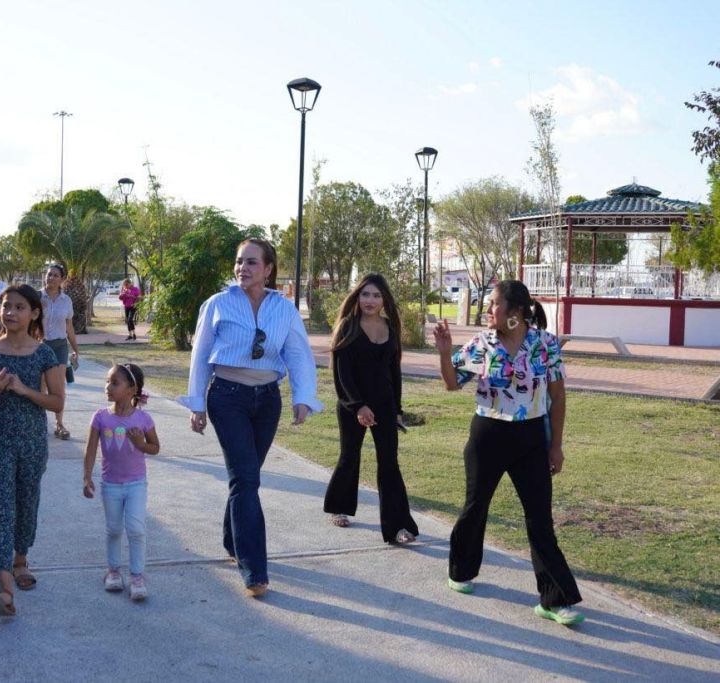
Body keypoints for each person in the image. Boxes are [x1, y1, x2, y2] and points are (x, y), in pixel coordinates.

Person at [434, 279, 584, 626]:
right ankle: (461, 570)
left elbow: (558, 398)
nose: (488, 310)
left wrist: (556, 446)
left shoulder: (544, 344)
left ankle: (554, 599)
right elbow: (452, 383)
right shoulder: (483, 342)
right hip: (488, 434)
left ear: (515, 311)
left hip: (531, 438)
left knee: (539, 518)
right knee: (476, 506)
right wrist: (444, 354)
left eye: (494, 304)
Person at [179, 238, 323, 598]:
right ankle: (254, 569)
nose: (243, 268)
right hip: (227, 397)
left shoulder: (284, 308)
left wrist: (303, 398)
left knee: (246, 478)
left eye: (252, 262)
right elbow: (199, 356)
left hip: (267, 400)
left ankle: (232, 540)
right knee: (246, 480)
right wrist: (197, 404)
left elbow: (298, 354)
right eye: (240, 261)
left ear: (269, 269)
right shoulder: (217, 304)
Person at [0, 284, 66, 617]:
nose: (10, 312)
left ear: (34, 313)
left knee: (26, 503)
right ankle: (5, 588)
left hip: (31, 442)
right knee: (0, 509)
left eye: (19, 307)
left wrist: (24, 390)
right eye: (6, 306)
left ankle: (21, 558)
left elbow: (57, 402)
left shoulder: (44, 355)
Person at [323, 274, 419, 544]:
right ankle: (339, 507)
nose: (370, 300)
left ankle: (398, 526)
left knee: (389, 464)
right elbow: (343, 375)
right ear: (357, 297)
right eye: (365, 294)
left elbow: (394, 371)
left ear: (384, 300)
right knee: (349, 457)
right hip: (351, 405)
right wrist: (358, 407)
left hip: (385, 406)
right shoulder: (347, 327)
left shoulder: (390, 327)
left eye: (376, 295)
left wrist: (397, 408)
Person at [82, 363, 160, 602]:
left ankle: (137, 576)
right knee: (114, 529)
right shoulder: (101, 417)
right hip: (111, 485)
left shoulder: (143, 419)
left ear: (131, 389)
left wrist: (139, 444)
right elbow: (91, 449)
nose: (108, 387)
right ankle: (113, 571)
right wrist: (87, 477)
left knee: (136, 530)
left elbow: (155, 448)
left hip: (136, 484)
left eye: (115, 382)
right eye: (107, 381)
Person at [40, 264, 80, 439]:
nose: (51, 278)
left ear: (62, 279)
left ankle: (59, 424)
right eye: (49, 274)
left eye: (56, 275)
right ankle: (39, 423)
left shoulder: (66, 301)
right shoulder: (36, 297)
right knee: (40, 386)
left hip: (60, 346)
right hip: (40, 346)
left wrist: (75, 349)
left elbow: (69, 326)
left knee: (59, 388)